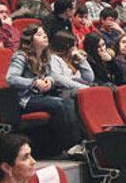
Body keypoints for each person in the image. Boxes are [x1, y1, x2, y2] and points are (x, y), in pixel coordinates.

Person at [6, 24, 83, 152]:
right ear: (30, 39)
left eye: (45, 34)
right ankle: (71, 145)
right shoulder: (20, 56)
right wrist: (34, 82)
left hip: (41, 96)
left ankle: (77, 142)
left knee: (71, 101)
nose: (45, 36)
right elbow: (11, 79)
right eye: (39, 35)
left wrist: (49, 81)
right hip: (25, 98)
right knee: (60, 105)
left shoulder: (44, 56)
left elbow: (50, 76)